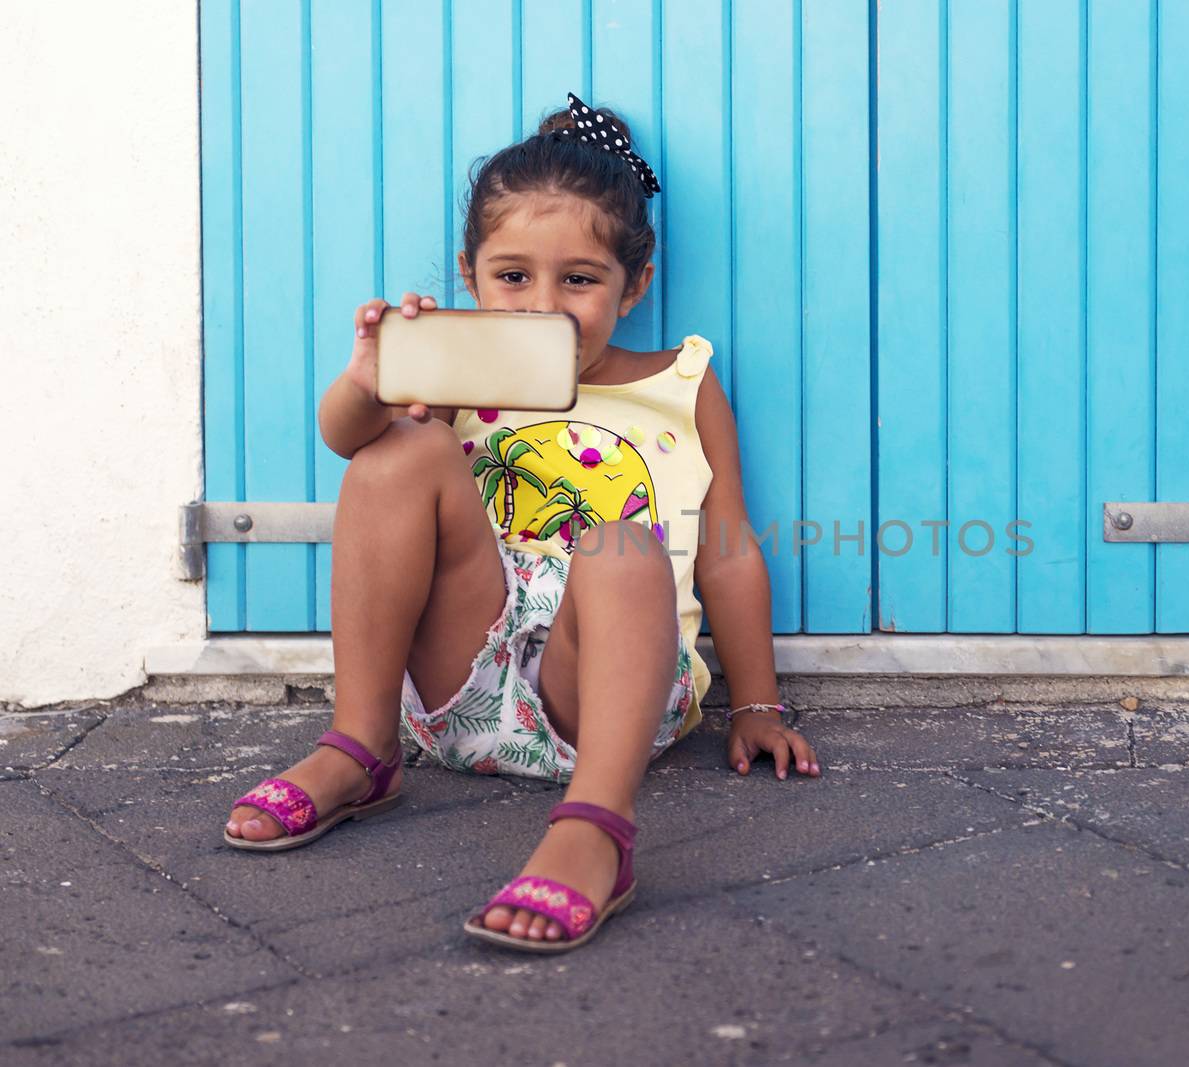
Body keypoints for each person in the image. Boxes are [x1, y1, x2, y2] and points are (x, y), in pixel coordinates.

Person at [222, 94, 820, 952]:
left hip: (601, 697)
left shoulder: (682, 383)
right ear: (471, 275)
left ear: (635, 283)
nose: (543, 304)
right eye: (513, 277)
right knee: (397, 451)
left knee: (618, 542)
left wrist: (756, 701)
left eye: (578, 279)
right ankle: (362, 746)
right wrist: (373, 381)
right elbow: (347, 441)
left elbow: (726, 552)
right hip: (462, 678)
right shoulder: (461, 373)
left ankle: (594, 829)